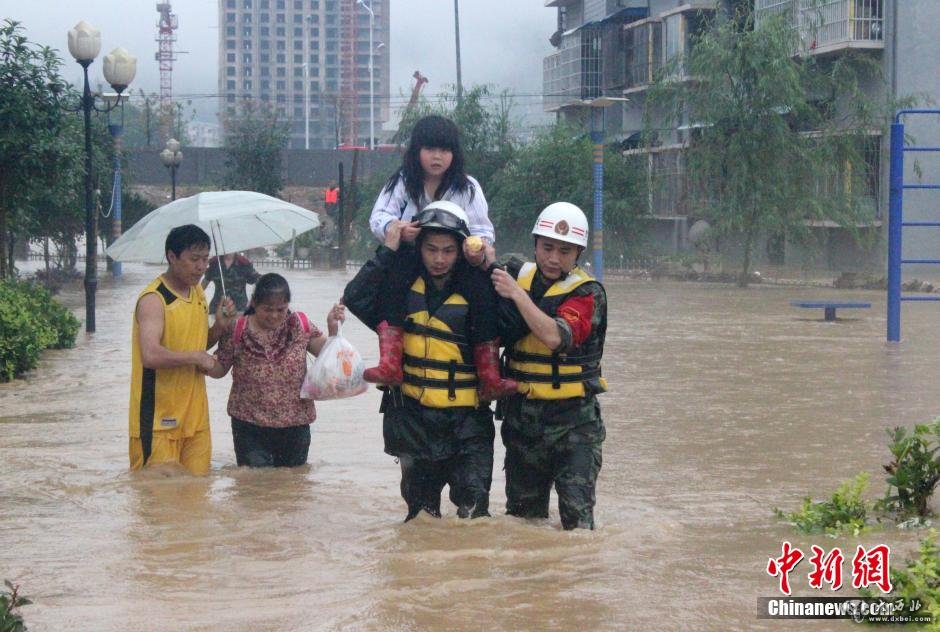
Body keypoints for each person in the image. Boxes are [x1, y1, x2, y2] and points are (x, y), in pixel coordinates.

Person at [343, 203, 498, 521]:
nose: (439, 259)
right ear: (419, 248)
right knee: (421, 518)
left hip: (468, 425)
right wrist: (389, 248)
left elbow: (514, 323)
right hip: (412, 421)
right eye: (431, 249)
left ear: (460, 251)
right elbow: (355, 296)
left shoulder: (479, 289)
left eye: (448, 251)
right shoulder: (398, 291)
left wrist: (489, 266)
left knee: (474, 517)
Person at [359, 115, 514, 399]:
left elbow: (483, 229)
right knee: (391, 287)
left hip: (458, 262)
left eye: (444, 150)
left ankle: (490, 375)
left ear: (454, 154)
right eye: (430, 149)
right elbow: (378, 217)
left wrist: (477, 248)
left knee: (483, 295)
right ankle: (390, 363)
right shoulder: (402, 182)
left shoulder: (468, 187)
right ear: (417, 151)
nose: (437, 157)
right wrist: (399, 229)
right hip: (411, 257)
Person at [489, 202, 608, 530]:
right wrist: (481, 257)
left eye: (565, 251)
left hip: (574, 426)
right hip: (523, 422)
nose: (554, 258)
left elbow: (556, 337)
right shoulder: (515, 273)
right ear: (535, 245)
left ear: (578, 253)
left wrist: (517, 295)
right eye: (547, 248)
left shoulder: (587, 293)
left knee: (577, 524)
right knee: (523, 523)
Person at [128, 224, 237, 476]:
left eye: (205, 259)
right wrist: (195, 357)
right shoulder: (154, 299)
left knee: (198, 491)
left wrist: (219, 327)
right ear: (172, 256)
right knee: (158, 494)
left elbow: (197, 344)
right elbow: (150, 355)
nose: (201, 267)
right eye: (194, 259)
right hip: (158, 420)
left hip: (195, 417)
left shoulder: (197, 292)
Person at [208, 273, 345, 467]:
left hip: (295, 426)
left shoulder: (300, 324)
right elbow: (220, 369)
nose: (274, 316)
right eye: (267, 309)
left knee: (292, 482)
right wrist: (198, 360)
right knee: (254, 481)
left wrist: (333, 329)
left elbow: (329, 357)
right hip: (249, 426)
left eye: (281, 309)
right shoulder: (238, 328)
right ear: (254, 303)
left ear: (288, 304)